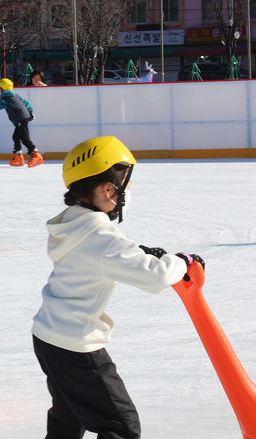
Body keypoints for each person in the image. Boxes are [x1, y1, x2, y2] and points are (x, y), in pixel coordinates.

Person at [31, 135, 205, 439]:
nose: (126, 194)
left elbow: (104, 253)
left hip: (48, 337)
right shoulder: (101, 238)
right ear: (107, 189)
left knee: (68, 417)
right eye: (124, 187)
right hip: (76, 345)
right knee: (120, 426)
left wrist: (139, 251)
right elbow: (155, 277)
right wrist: (180, 260)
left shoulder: (73, 223)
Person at [0, 78, 43, 167]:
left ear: (3, 88)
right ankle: (18, 156)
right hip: (23, 118)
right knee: (16, 137)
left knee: (24, 138)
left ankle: (35, 154)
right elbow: (27, 103)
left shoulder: (6, 99)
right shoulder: (15, 95)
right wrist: (30, 113)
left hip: (20, 119)